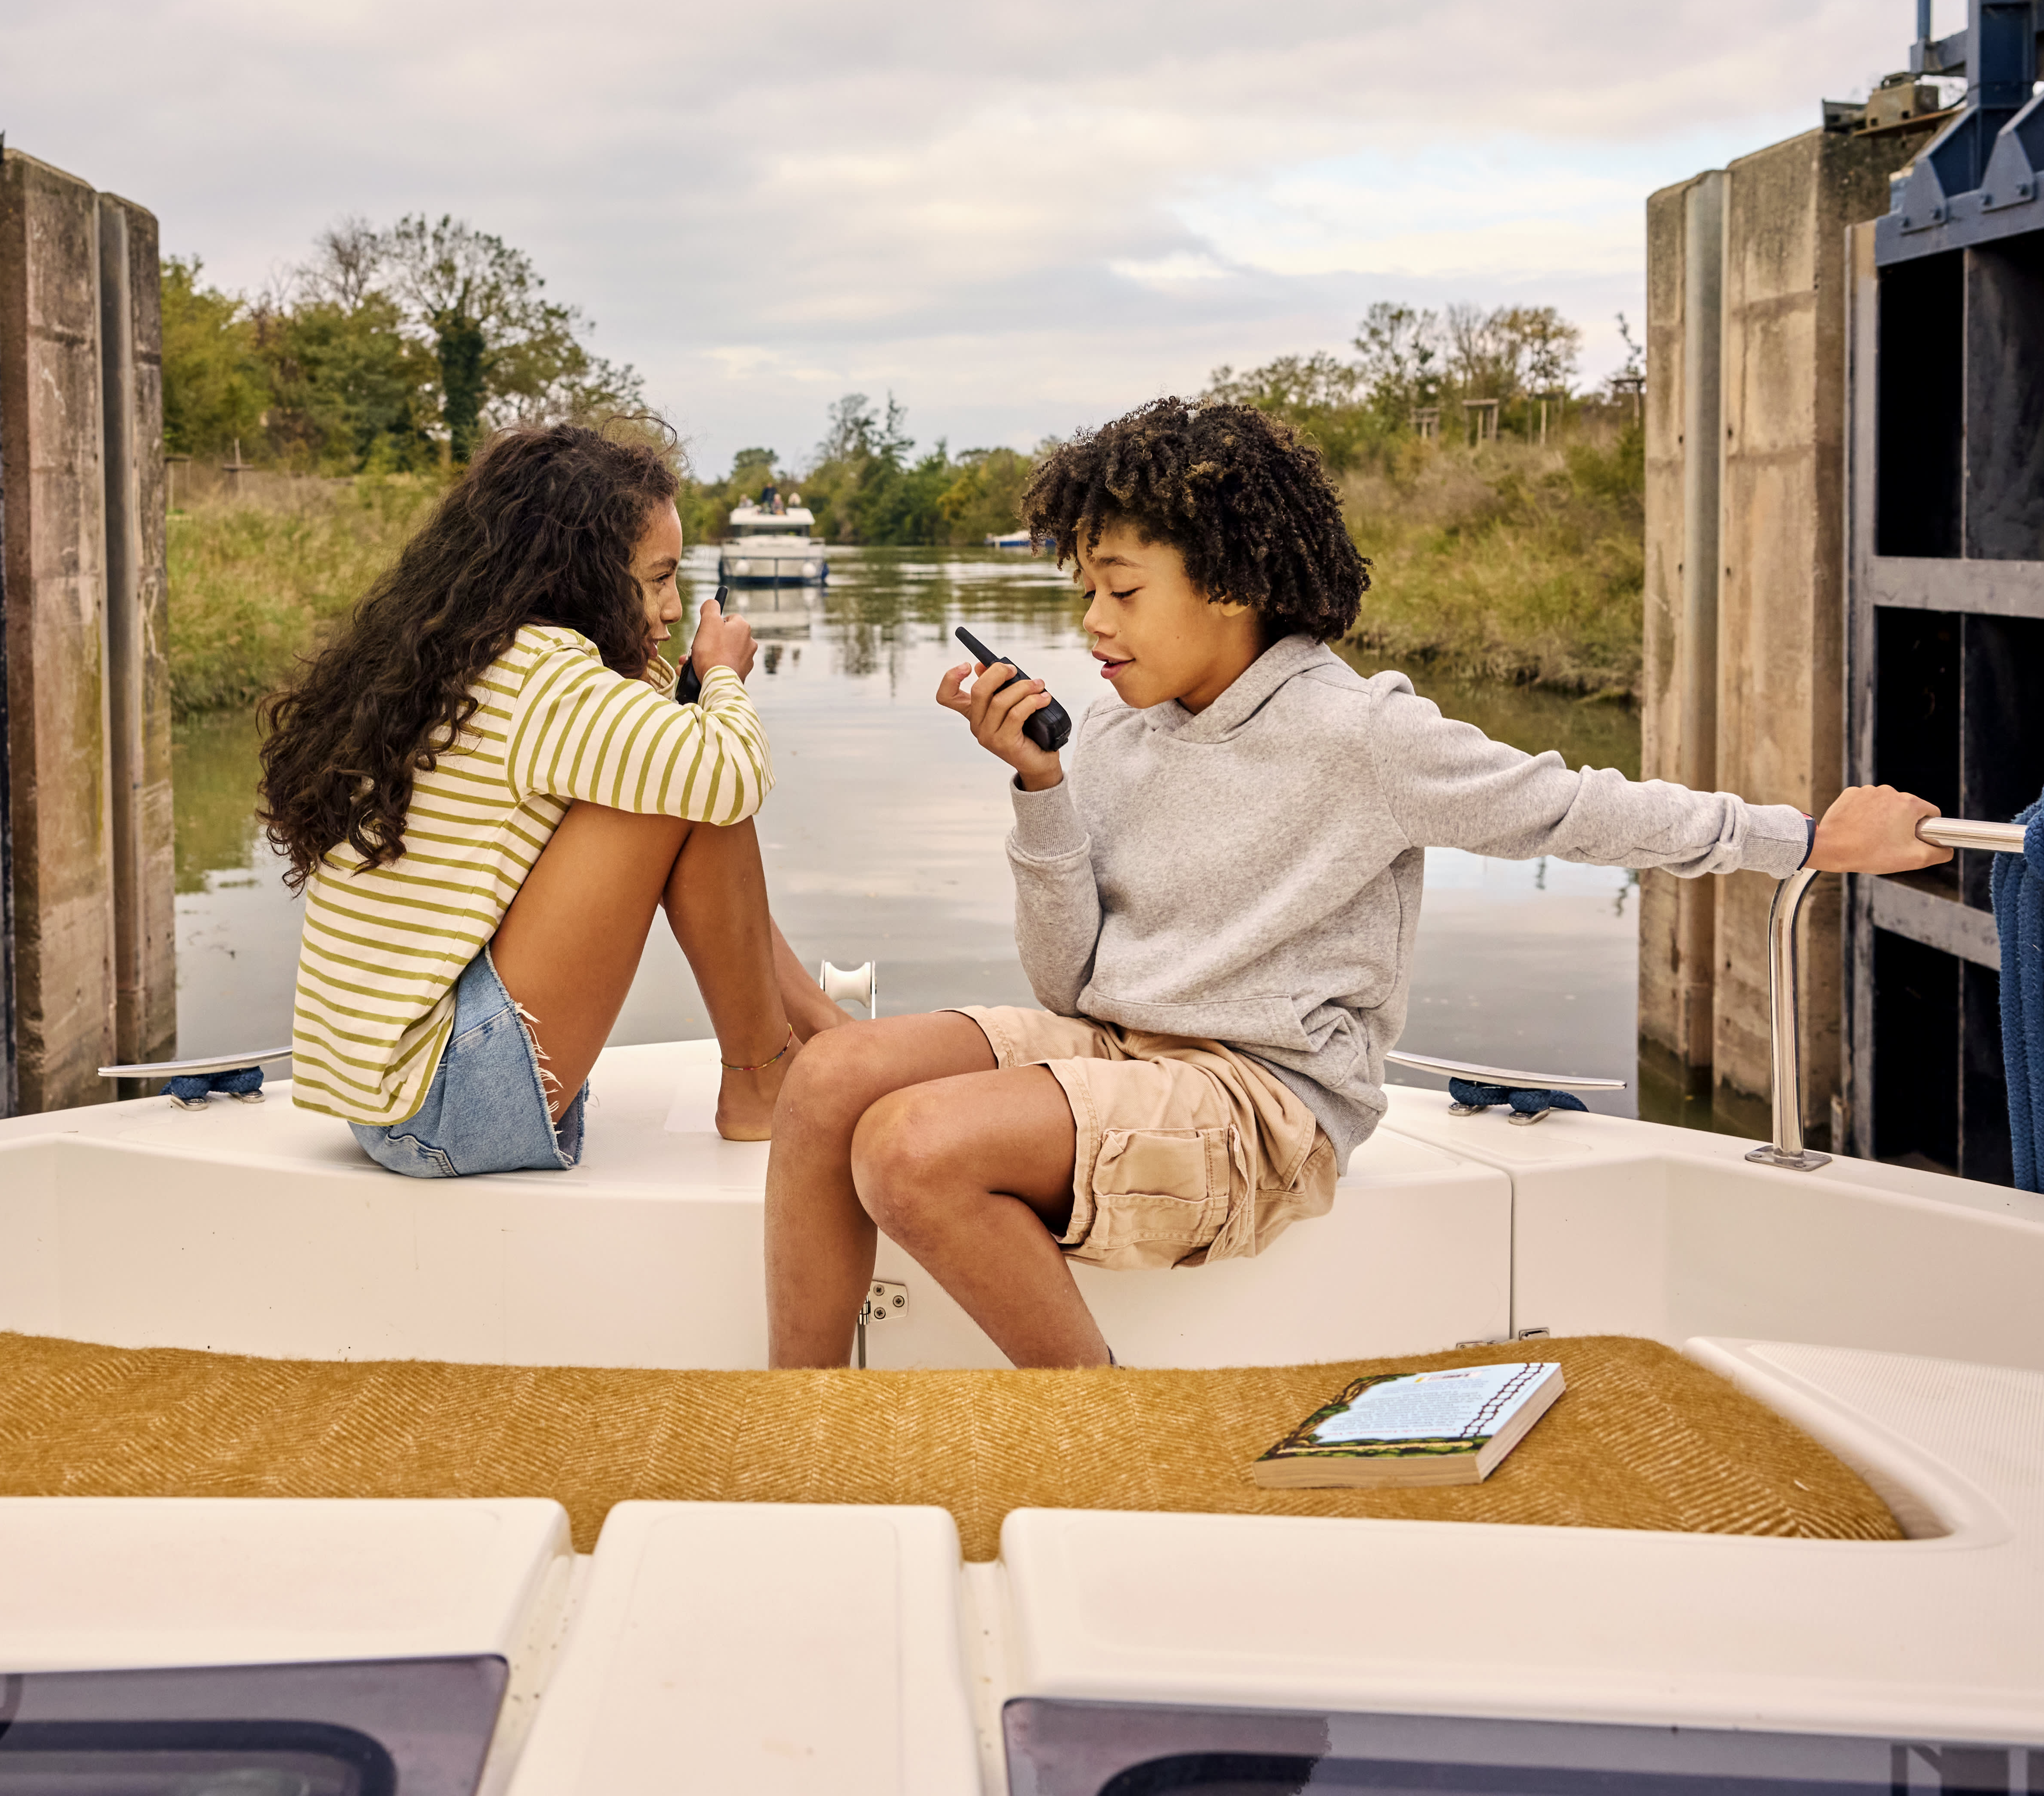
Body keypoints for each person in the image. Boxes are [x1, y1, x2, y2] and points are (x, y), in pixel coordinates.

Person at [762, 396, 1947, 1367]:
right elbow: (1065, 979)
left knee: (914, 1147)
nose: (1094, 624)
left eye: (1122, 591)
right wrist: (1041, 788)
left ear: (1228, 582)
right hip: (1120, 1048)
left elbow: (1579, 807)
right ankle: (800, 1420)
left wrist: (1806, 839)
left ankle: (1101, 1431)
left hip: (1265, 1106)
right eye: (1085, 592)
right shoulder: (1118, 737)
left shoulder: (1363, 735)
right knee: (830, 1078)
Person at [262, 423, 853, 1175]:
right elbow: (729, 772)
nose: (673, 608)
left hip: (388, 1101)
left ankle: (817, 1035)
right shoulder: (544, 675)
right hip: (448, 1108)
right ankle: (768, 1079)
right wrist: (723, 671)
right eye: (659, 578)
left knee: (665, 760)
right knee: (682, 780)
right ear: (586, 574)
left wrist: (668, 686)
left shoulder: (472, 654)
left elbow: (640, 742)